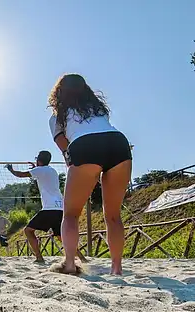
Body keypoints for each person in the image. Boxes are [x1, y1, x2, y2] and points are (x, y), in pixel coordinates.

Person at [47, 73, 132, 275]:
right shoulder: (99, 109)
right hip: (118, 143)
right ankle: (117, 268)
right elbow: (99, 130)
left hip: (84, 146)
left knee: (70, 214)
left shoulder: (57, 117)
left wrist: (78, 169)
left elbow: (65, 149)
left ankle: (69, 263)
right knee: (113, 216)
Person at [6, 151, 88, 263]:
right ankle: (82, 258)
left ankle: (39, 258)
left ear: (38, 160)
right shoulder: (52, 171)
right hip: (60, 208)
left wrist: (11, 169)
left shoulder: (39, 170)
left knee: (28, 231)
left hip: (50, 208)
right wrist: (36, 168)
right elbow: (42, 177)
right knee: (61, 236)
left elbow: (21, 175)